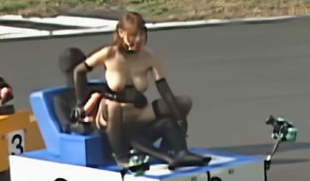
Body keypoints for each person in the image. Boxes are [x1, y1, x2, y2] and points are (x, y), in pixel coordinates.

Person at [70, 12, 208, 168]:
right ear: (121, 33)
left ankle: (176, 151)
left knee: (183, 103)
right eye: (133, 36)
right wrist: (80, 104)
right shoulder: (109, 53)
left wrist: (179, 118)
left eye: (142, 36)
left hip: (137, 113)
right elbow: (79, 71)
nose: (138, 40)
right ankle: (121, 157)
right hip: (110, 114)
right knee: (114, 106)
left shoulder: (149, 57)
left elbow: (164, 89)